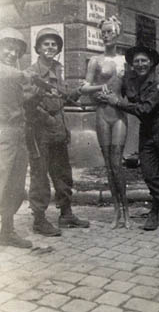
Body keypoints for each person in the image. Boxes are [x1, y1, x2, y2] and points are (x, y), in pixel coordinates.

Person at [99, 45, 159, 231]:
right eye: (136, 61)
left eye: (144, 61)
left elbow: (144, 109)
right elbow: (115, 88)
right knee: (149, 172)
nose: (140, 64)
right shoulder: (129, 80)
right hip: (147, 130)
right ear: (132, 64)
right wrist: (102, 91)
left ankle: (154, 212)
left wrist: (117, 103)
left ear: (151, 63)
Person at [24, 27, 89, 237]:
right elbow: (28, 104)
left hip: (59, 131)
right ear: (38, 48)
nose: (50, 47)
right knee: (40, 176)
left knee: (63, 174)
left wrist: (81, 90)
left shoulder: (58, 71)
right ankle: (39, 220)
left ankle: (66, 214)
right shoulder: (31, 73)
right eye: (46, 44)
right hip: (40, 133)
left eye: (54, 44)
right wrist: (48, 117)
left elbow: (64, 98)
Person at [81, 16, 130, 229]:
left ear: (117, 33)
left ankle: (126, 210)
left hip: (118, 115)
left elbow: (131, 90)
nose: (106, 36)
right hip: (102, 114)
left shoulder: (125, 61)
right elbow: (84, 88)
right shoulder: (95, 61)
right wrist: (98, 90)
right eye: (103, 33)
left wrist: (122, 100)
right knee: (109, 165)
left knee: (117, 162)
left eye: (110, 32)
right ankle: (116, 211)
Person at [0, 27, 33, 248]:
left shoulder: (15, 73)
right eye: (7, 48)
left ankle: (7, 230)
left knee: (16, 184)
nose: (12, 53)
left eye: (16, 50)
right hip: (3, 131)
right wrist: (29, 78)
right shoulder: (8, 72)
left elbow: (23, 96)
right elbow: (10, 76)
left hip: (18, 132)